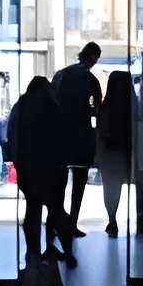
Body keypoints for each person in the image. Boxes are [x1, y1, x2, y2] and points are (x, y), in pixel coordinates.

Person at [5, 74, 76, 268]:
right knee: (57, 211)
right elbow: (64, 138)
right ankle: (68, 250)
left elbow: (11, 135)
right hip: (52, 168)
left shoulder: (21, 106)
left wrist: (17, 160)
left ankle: (33, 252)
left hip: (28, 168)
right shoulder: (54, 107)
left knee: (32, 209)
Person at [52, 40, 103, 235]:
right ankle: (71, 223)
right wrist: (86, 111)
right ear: (92, 57)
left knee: (59, 182)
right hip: (81, 136)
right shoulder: (91, 80)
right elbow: (97, 109)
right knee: (79, 182)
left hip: (59, 136)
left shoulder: (61, 74)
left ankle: (57, 222)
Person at [96, 69, 136, 237]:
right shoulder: (131, 106)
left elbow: (99, 131)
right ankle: (112, 218)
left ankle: (112, 218)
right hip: (124, 152)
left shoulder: (106, 106)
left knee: (110, 187)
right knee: (116, 187)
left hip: (108, 153)